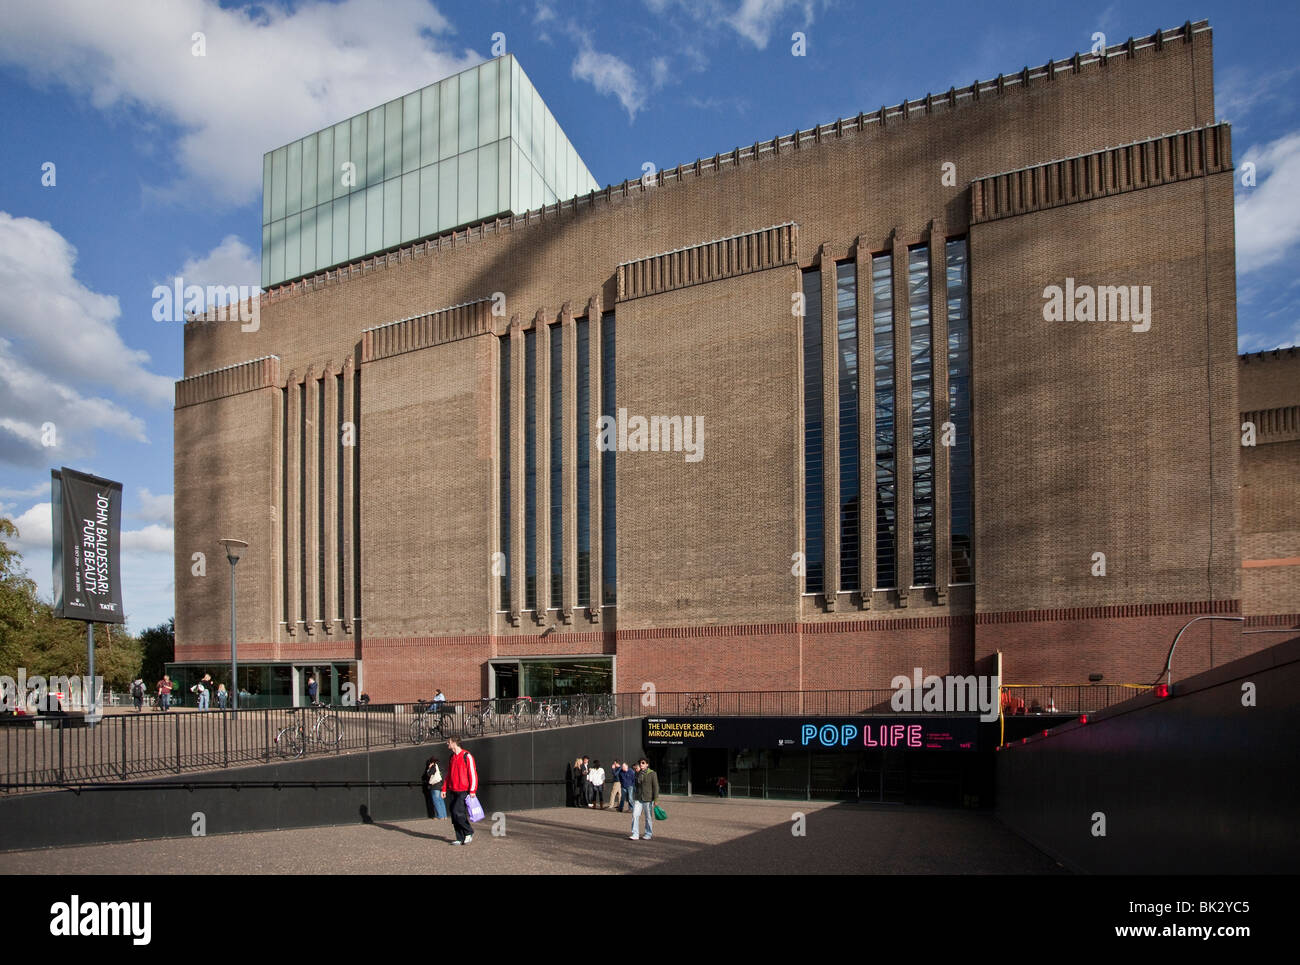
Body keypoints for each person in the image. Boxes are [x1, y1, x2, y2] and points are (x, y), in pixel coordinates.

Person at [445, 736, 478, 845]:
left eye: (449, 742)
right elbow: (448, 774)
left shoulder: (466, 756)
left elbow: (472, 773)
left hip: (463, 790)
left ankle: (468, 832)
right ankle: (460, 837)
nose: (447, 744)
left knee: (458, 812)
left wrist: (472, 790)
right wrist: (444, 788)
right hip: (453, 789)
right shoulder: (452, 757)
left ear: (454, 743)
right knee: (454, 815)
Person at [630, 759, 659, 840]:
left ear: (647, 764)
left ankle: (648, 833)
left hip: (648, 798)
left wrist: (656, 799)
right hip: (638, 798)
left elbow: (656, 787)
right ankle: (635, 834)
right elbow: (636, 785)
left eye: (643, 763)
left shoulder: (652, 773)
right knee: (635, 815)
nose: (641, 764)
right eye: (640, 763)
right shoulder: (638, 773)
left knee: (648, 817)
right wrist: (637, 773)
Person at [425, 754, 447, 820]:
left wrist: (429, 768)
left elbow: (429, 774)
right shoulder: (439, 766)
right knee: (441, 800)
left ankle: (440, 816)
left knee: (436, 801)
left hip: (435, 786)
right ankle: (444, 815)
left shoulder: (433, 766)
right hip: (440, 784)